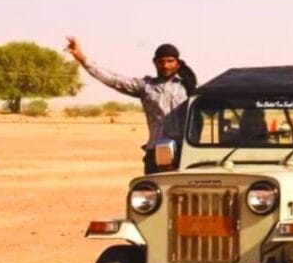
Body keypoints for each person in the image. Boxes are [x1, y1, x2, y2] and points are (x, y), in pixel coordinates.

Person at [65, 37, 197, 174]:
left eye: (170, 61)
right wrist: (81, 58)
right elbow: (114, 79)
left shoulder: (188, 87)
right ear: (155, 63)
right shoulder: (146, 86)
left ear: (178, 64)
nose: (165, 65)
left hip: (184, 152)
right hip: (154, 152)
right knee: (150, 193)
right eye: (161, 62)